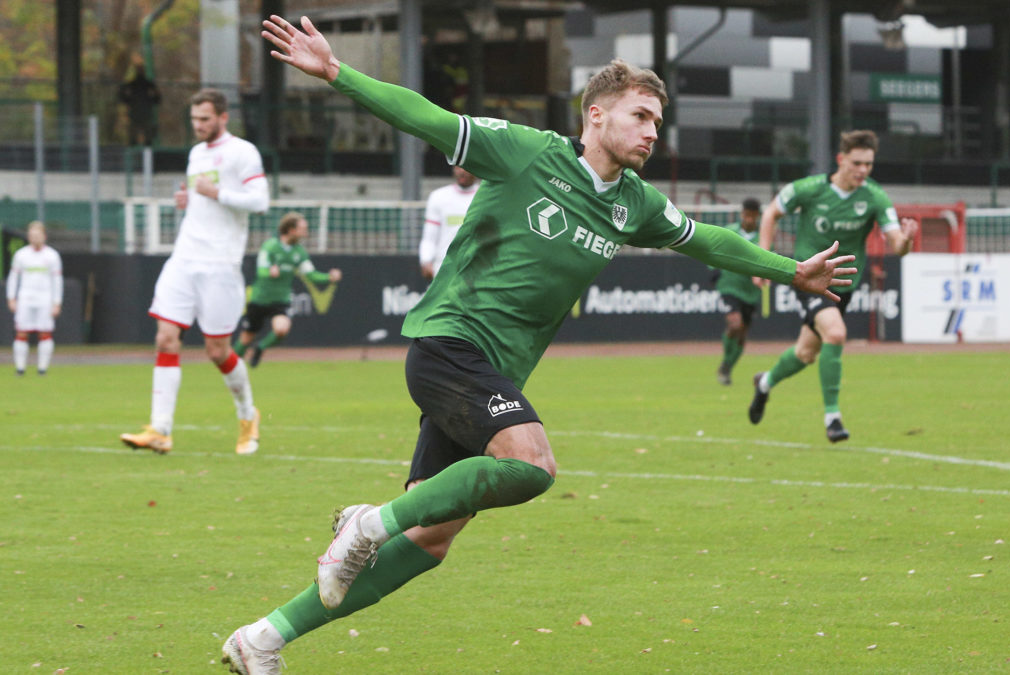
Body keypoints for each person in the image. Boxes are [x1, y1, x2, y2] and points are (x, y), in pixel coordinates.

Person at [220, 15, 857, 674]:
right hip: (450, 343)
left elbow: (708, 240)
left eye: (658, 123)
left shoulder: (632, 203)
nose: (651, 132)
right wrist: (337, 72)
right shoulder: (527, 151)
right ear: (596, 114)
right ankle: (367, 523)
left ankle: (264, 636)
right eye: (639, 116)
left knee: (432, 538)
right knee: (533, 464)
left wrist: (792, 270)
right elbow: (429, 119)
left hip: (493, 371)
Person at [121, 88, 269, 456]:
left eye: (204, 119)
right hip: (184, 258)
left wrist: (216, 194)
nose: (198, 126)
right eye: (194, 120)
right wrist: (191, 201)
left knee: (217, 350)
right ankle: (160, 429)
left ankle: (248, 415)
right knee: (165, 338)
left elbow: (261, 201)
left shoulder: (242, 152)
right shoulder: (196, 154)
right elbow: (203, 200)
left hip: (220, 263)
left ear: (223, 117)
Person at [747, 129, 919, 443]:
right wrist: (763, 258)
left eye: (869, 164)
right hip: (807, 278)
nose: (863, 171)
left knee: (806, 353)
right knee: (836, 334)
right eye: (857, 163)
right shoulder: (809, 189)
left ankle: (764, 383)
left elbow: (896, 243)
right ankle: (833, 418)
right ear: (841, 159)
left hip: (844, 286)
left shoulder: (875, 196)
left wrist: (906, 242)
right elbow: (771, 212)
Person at [233, 211, 342, 367]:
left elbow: (311, 275)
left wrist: (328, 277)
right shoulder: (270, 246)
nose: (306, 232)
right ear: (291, 230)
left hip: (280, 301)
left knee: (282, 329)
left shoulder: (299, 253)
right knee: (245, 339)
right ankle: (231, 367)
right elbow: (261, 271)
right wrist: (270, 272)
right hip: (259, 300)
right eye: (302, 228)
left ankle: (260, 347)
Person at [713, 197, 762, 385]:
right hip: (729, 285)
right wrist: (713, 270)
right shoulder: (730, 232)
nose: (749, 219)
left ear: (757, 216)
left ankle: (727, 366)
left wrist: (763, 277)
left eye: (753, 216)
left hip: (750, 291)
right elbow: (714, 250)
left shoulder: (762, 238)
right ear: (742, 214)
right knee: (735, 325)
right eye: (746, 215)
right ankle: (725, 364)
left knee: (742, 336)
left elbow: (768, 259)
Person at [5, 221, 62, 376]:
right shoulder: (21, 255)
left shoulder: (52, 255)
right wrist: (11, 298)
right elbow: (13, 278)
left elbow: (57, 280)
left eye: (37, 235)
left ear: (44, 236)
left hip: (45, 299)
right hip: (25, 298)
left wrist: (57, 302)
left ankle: (42, 369)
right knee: (21, 332)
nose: (34, 238)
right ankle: (20, 368)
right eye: (31, 235)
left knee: (45, 333)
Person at [418, 165, 479, 280]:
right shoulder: (438, 197)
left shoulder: (483, 197)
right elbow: (429, 236)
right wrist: (425, 261)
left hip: (475, 268)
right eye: (458, 167)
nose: (461, 172)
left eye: (466, 167)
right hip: (443, 268)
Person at [116, 61, 163, 146]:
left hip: (145, 112)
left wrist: (150, 100)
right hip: (135, 112)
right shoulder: (133, 84)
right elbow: (122, 94)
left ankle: (147, 150)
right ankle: (134, 148)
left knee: (148, 137)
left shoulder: (147, 84)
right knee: (133, 135)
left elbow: (157, 98)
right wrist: (128, 100)